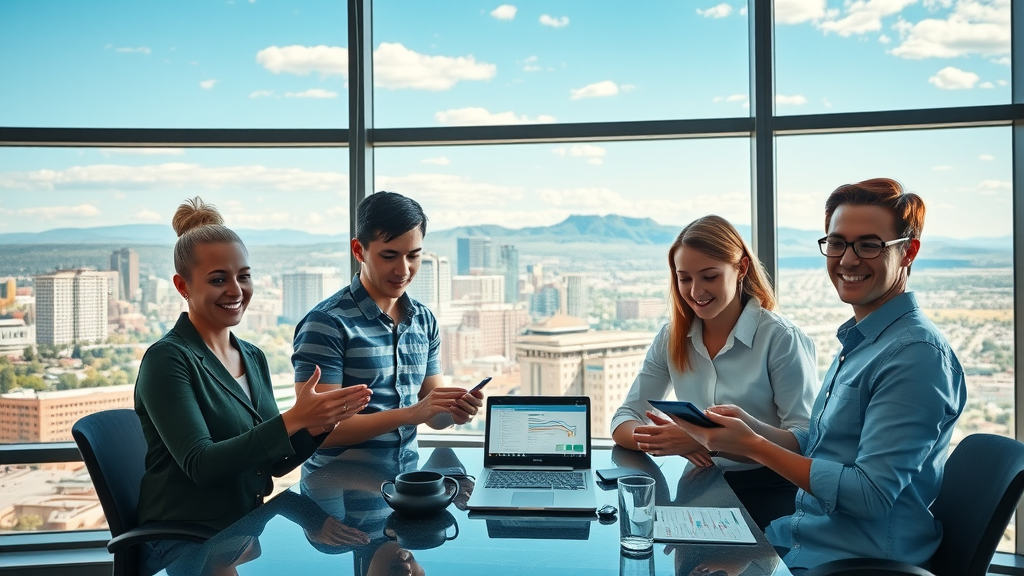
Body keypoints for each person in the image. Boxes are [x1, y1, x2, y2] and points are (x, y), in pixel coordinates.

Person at [670, 178, 967, 571]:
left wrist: (754, 447)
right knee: (669, 539)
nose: (847, 259)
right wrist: (752, 430)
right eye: (838, 242)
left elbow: (869, 495)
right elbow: (822, 444)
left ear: (908, 252)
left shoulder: (915, 356)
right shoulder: (864, 342)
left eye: (869, 245)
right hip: (803, 539)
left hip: (856, 562)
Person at [135, 197, 372, 575]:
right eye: (218, 279)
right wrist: (294, 419)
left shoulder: (252, 356)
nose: (236, 290)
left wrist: (318, 425)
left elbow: (272, 465)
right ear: (183, 286)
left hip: (240, 527)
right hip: (187, 539)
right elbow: (202, 465)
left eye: (243, 276)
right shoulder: (168, 360)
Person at [610, 215, 818, 530]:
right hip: (701, 485)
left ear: (741, 269)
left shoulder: (779, 337)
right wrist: (669, 441)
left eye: (709, 276)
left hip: (772, 490)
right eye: (684, 278)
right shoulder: (672, 336)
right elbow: (624, 419)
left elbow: (804, 440)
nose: (695, 291)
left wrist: (705, 439)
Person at [292, 191, 482, 472]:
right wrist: (411, 414)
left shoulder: (423, 320)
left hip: (406, 485)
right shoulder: (327, 323)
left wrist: (456, 412)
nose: (403, 269)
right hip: (336, 495)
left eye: (413, 256)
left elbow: (434, 418)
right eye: (389, 255)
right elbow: (319, 430)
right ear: (359, 251)